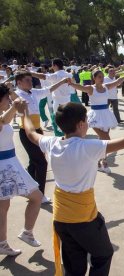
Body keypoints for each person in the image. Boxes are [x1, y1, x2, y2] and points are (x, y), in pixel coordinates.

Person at [20, 100, 124, 276]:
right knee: (103, 255)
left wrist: (24, 113)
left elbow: (30, 133)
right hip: (83, 218)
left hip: (61, 217)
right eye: (86, 121)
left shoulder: (52, 143)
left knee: (74, 265)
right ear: (81, 124)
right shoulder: (88, 147)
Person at [14, 70, 69, 204]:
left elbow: (48, 89)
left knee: (34, 161)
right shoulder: (16, 95)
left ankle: (28, 188)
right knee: (41, 162)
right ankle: (40, 194)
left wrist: (62, 81)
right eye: (27, 80)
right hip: (26, 131)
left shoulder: (34, 93)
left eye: (31, 79)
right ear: (19, 82)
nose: (31, 81)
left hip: (38, 129)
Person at [0, 85, 42, 256]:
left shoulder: (3, 115)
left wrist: (13, 100)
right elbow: (3, 122)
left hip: (10, 163)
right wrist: (15, 106)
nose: (9, 100)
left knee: (3, 207)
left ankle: (4, 242)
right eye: (6, 97)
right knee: (36, 197)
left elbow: (5, 120)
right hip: (5, 165)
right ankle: (26, 232)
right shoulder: (3, 117)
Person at [68, 70, 124, 174]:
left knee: (102, 140)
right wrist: (71, 83)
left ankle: (97, 162)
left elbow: (118, 81)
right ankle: (104, 163)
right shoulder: (91, 88)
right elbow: (79, 87)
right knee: (106, 139)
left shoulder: (106, 87)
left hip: (106, 115)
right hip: (95, 116)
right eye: (99, 77)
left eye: (102, 76)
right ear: (94, 78)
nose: (101, 78)